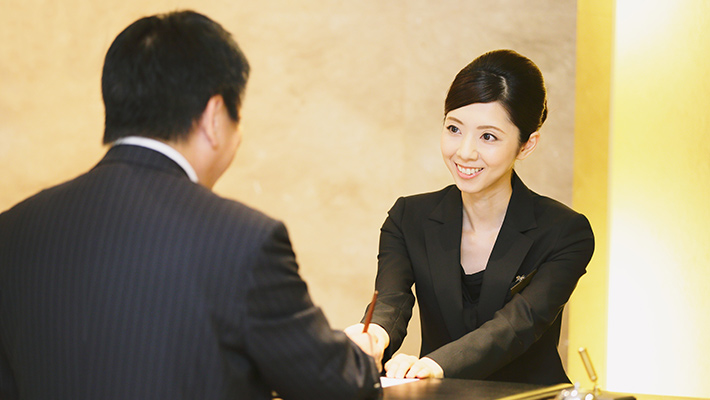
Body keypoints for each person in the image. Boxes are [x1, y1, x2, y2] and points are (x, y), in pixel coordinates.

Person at [0, 10, 382, 400]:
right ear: (215, 117)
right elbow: (334, 385)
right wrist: (360, 357)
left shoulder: (12, 231)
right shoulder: (245, 241)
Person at [345, 49, 594, 385]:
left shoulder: (565, 231)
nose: (464, 151)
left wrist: (436, 365)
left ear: (527, 145)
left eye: (488, 136)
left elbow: (517, 325)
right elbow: (392, 299)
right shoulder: (408, 217)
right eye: (454, 128)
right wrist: (374, 336)